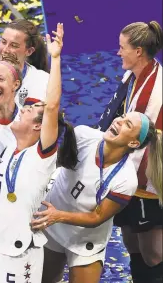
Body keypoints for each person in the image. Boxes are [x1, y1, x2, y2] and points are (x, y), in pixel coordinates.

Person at [0, 24, 75, 283]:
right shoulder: (10, 155)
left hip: (20, 249)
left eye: (26, 111)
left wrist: (55, 58)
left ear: (39, 125)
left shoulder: (41, 155)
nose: (20, 110)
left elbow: (53, 107)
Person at [32, 113, 162, 283]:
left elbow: (96, 217)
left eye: (127, 124)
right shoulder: (83, 135)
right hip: (52, 226)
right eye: (122, 117)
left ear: (133, 143)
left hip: (86, 239)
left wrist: (58, 216)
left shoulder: (126, 180)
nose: (118, 121)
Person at [96, 21, 163, 282]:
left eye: (122, 47)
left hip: (147, 182)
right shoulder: (132, 76)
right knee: (130, 242)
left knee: (153, 253)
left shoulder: (157, 92)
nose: (118, 52)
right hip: (128, 175)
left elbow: (152, 142)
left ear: (138, 51)